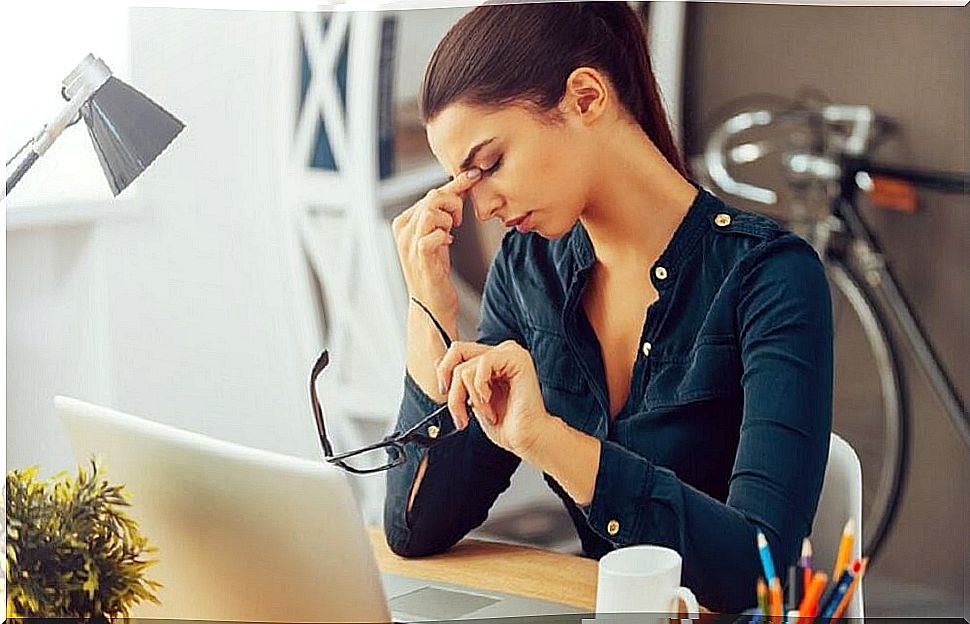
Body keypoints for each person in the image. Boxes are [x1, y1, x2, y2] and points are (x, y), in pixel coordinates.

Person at [384, 1, 832, 613]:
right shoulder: (526, 272)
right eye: (463, 182)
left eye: (488, 165)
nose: (481, 206)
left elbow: (761, 572)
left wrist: (550, 441)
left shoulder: (768, 277)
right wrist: (427, 307)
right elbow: (415, 530)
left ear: (586, 98)